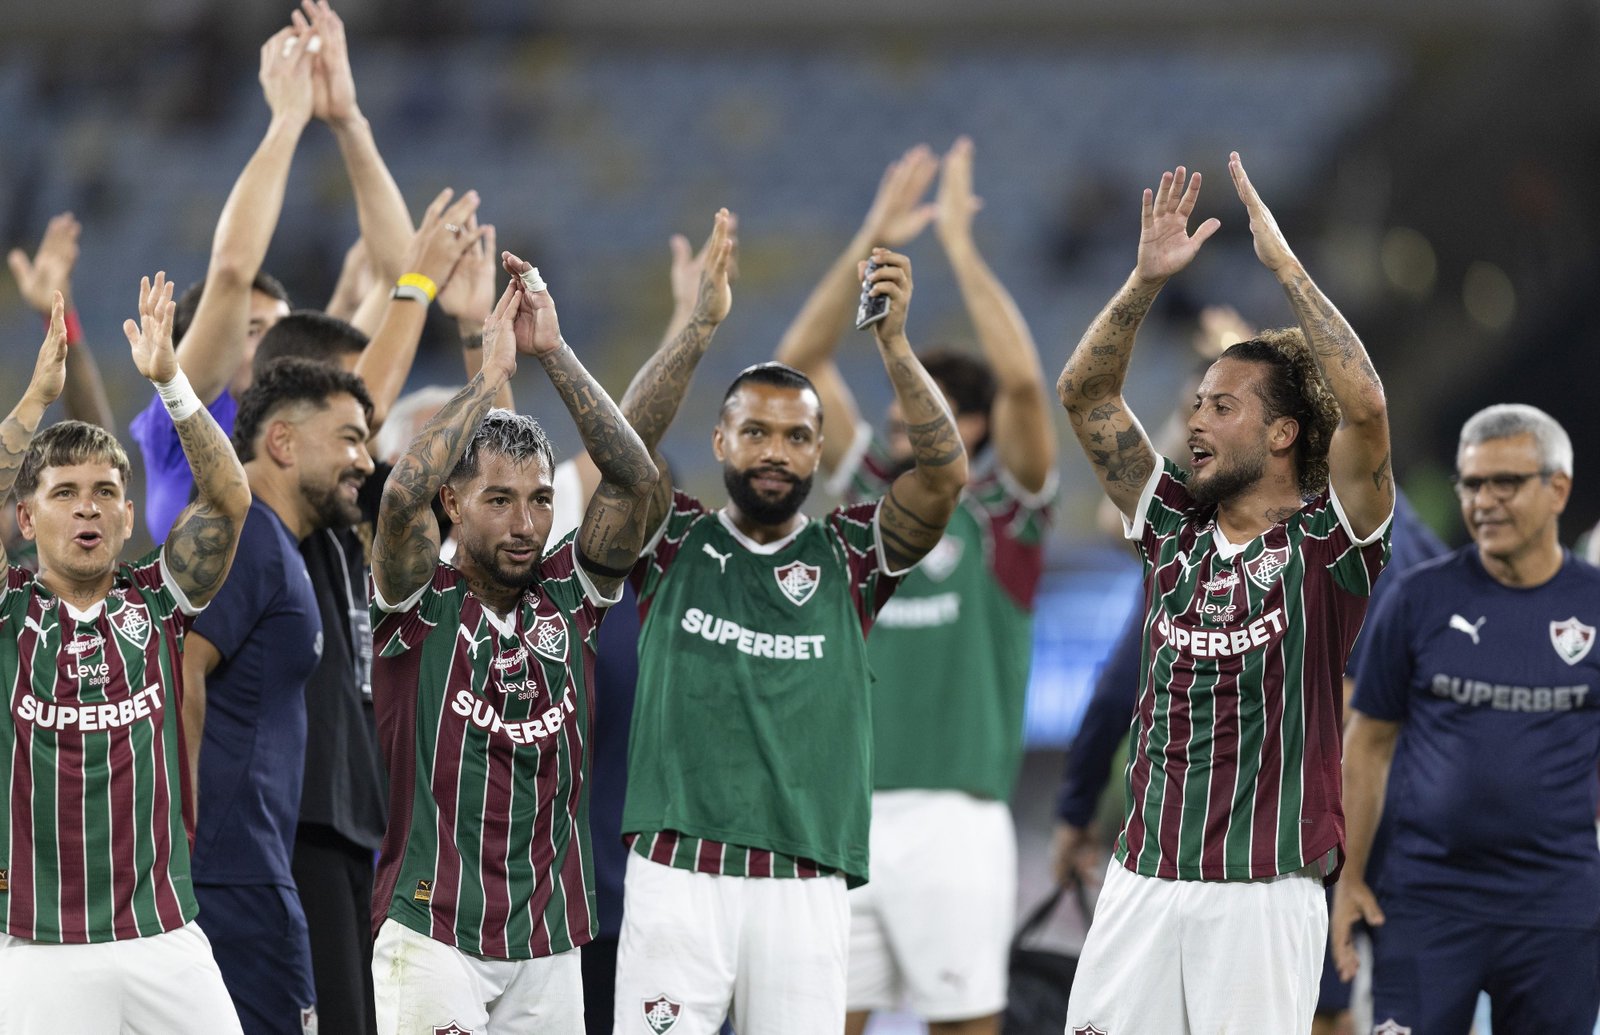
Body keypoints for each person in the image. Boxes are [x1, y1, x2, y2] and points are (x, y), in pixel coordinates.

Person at [1056, 154, 1393, 1034]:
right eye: (1197, 403)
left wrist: (1285, 270)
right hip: (1139, 882)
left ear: (1283, 432)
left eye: (1222, 406)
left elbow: (1364, 411)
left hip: (1262, 896)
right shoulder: (1168, 524)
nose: (1196, 419)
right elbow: (1084, 392)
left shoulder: (1329, 546)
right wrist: (1141, 282)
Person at [611, 209, 968, 1035]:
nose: (775, 450)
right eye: (757, 432)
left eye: (797, 436)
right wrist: (699, 325)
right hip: (677, 870)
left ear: (817, 453)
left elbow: (945, 478)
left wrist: (896, 348)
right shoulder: (673, 539)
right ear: (722, 439)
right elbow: (623, 448)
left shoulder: (853, 555)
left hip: (804, 882)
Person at [774, 139, 1056, 1035]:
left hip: (954, 818)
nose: (898, 434)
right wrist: (871, 237)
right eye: (894, 420)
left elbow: (1021, 382)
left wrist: (962, 252)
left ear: (966, 424)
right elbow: (799, 363)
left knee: (963, 1024)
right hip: (843, 808)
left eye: (919, 417)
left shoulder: (1006, 510)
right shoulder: (869, 497)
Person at [368, 254, 657, 1034]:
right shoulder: (416, 600)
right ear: (454, 503)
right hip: (432, 933)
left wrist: (553, 354)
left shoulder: (571, 596)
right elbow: (399, 496)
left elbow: (637, 484)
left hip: (548, 940)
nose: (526, 524)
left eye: (538, 501)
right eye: (499, 500)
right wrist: (489, 369)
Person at [0, 278, 252, 1031]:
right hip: (36, 946)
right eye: (66, 491)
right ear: (24, 515)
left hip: (164, 939)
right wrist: (34, 401)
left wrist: (170, 380)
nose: (88, 506)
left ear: (129, 511)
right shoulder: (9, 607)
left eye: (106, 491)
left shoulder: (159, 597)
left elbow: (230, 499)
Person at [1334, 404, 1600, 1034]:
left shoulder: (1593, 604)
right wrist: (1347, 879)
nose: (1484, 500)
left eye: (1504, 482)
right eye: (1472, 483)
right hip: (1427, 903)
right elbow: (1366, 745)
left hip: (1557, 911)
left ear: (1557, 488)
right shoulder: (1417, 598)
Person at [131, 1, 413, 541]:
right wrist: (287, 120)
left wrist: (348, 121)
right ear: (196, 344)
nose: (272, 343)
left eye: (278, 326)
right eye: (251, 329)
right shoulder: (177, 425)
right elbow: (235, 268)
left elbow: (402, 284)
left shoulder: (307, 426)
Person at [181, 356, 375, 1035]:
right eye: (349, 438)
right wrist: (181, 827)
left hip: (250, 864)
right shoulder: (251, 537)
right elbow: (183, 662)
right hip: (232, 871)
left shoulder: (284, 548)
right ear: (283, 442)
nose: (366, 460)